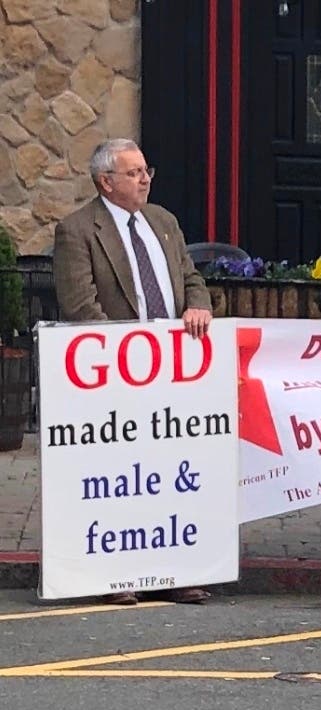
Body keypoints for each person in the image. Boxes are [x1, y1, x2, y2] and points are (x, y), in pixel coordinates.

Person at [53, 138, 213, 605]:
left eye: (147, 170)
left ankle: (175, 572)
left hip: (175, 375)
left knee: (170, 476)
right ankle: (116, 577)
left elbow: (190, 279)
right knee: (121, 480)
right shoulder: (78, 230)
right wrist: (131, 357)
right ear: (106, 181)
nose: (145, 179)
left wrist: (198, 307)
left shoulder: (163, 222)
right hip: (118, 377)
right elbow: (81, 306)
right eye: (134, 172)